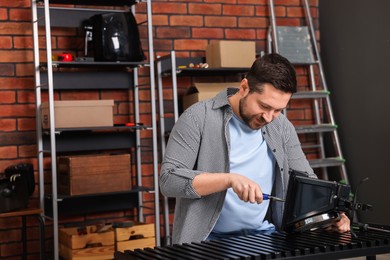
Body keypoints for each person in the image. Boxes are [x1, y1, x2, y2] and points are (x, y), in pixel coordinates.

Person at [159, 53, 350, 245]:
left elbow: (307, 181)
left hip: (263, 236)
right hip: (207, 241)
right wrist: (229, 179)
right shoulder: (197, 118)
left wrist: (328, 214)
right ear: (244, 88)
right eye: (264, 106)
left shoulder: (281, 126)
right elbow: (169, 180)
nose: (269, 117)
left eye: (278, 110)